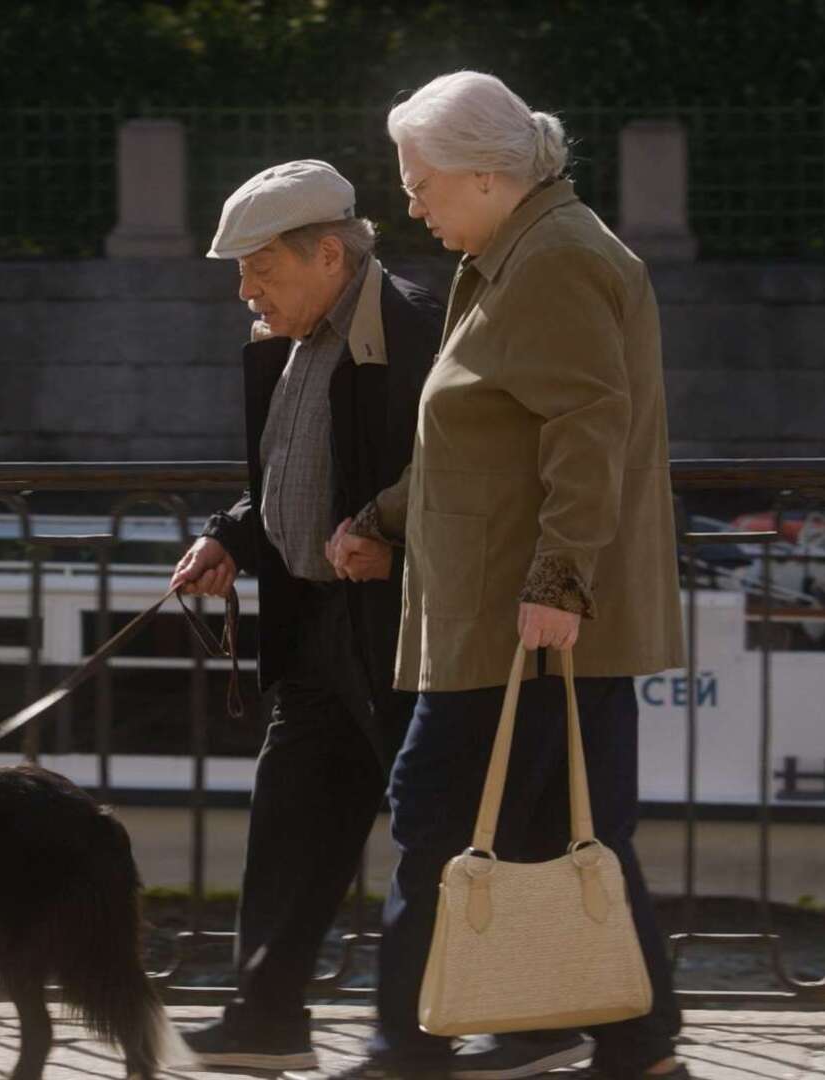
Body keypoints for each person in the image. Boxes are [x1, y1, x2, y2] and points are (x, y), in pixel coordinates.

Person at [168, 160, 582, 1079]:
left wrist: (398, 549)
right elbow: (291, 468)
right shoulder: (298, 332)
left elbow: (477, 475)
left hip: (400, 628)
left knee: (460, 826)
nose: (246, 292)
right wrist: (234, 533)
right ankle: (266, 1015)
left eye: (260, 270)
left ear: (326, 254)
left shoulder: (414, 328)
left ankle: (531, 1021)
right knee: (293, 822)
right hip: (319, 623)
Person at [325, 71, 689, 1079]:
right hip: (518, 611)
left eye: (422, 180)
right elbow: (482, 439)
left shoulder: (554, 261)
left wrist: (558, 585)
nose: (411, 202)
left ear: (486, 175)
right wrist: (380, 520)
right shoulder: (524, 252)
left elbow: (586, 433)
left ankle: (408, 1045)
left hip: (517, 619)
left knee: (438, 817)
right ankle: (630, 1045)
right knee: (568, 833)